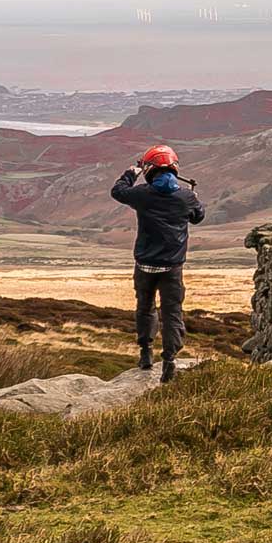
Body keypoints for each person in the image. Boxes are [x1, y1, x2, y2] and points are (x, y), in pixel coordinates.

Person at [111, 145, 204, 382]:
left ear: (149, 170)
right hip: (172, 267)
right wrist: (194, 198)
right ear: (174, 168)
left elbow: (118, 191)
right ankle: (169, 361)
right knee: (172, 313)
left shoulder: (142, 194)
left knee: (145, 307)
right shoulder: (186, 197)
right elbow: (198, 217)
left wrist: (132, 172)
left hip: (144, 264)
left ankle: (146, 353)